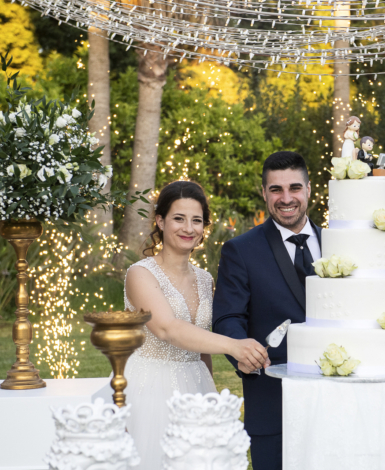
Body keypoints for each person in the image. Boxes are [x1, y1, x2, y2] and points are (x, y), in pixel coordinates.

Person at [122, 180, 269, 468]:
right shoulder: (139, 274)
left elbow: (200, 342)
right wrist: (235, 346)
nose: (188, 228)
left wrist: (210, 391)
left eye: (197, 220)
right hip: (150, 388)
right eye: (179, 218)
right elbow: (167, 329)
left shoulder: (205, 279)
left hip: (197, 385)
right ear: (160, 221)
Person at [213, 152, 322, 470]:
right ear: (264, 193)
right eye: (276, 189)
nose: (286, 198)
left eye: (294, 188)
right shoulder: (241, 250)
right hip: (273, 402)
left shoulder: (340, 244)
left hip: (339, 402)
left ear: (309, 189)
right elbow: (228, 317)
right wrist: (241, 351)